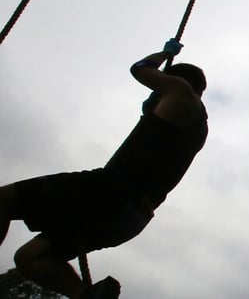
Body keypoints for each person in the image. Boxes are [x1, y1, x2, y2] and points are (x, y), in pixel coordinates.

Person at [0, 39, 208, 299]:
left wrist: (164, 54)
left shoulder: (181, 92)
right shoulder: (197, 128)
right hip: (129, 218)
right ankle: (85, 296)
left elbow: (140, 68)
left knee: (2, 200)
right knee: (30, 258)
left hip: (107, 192)